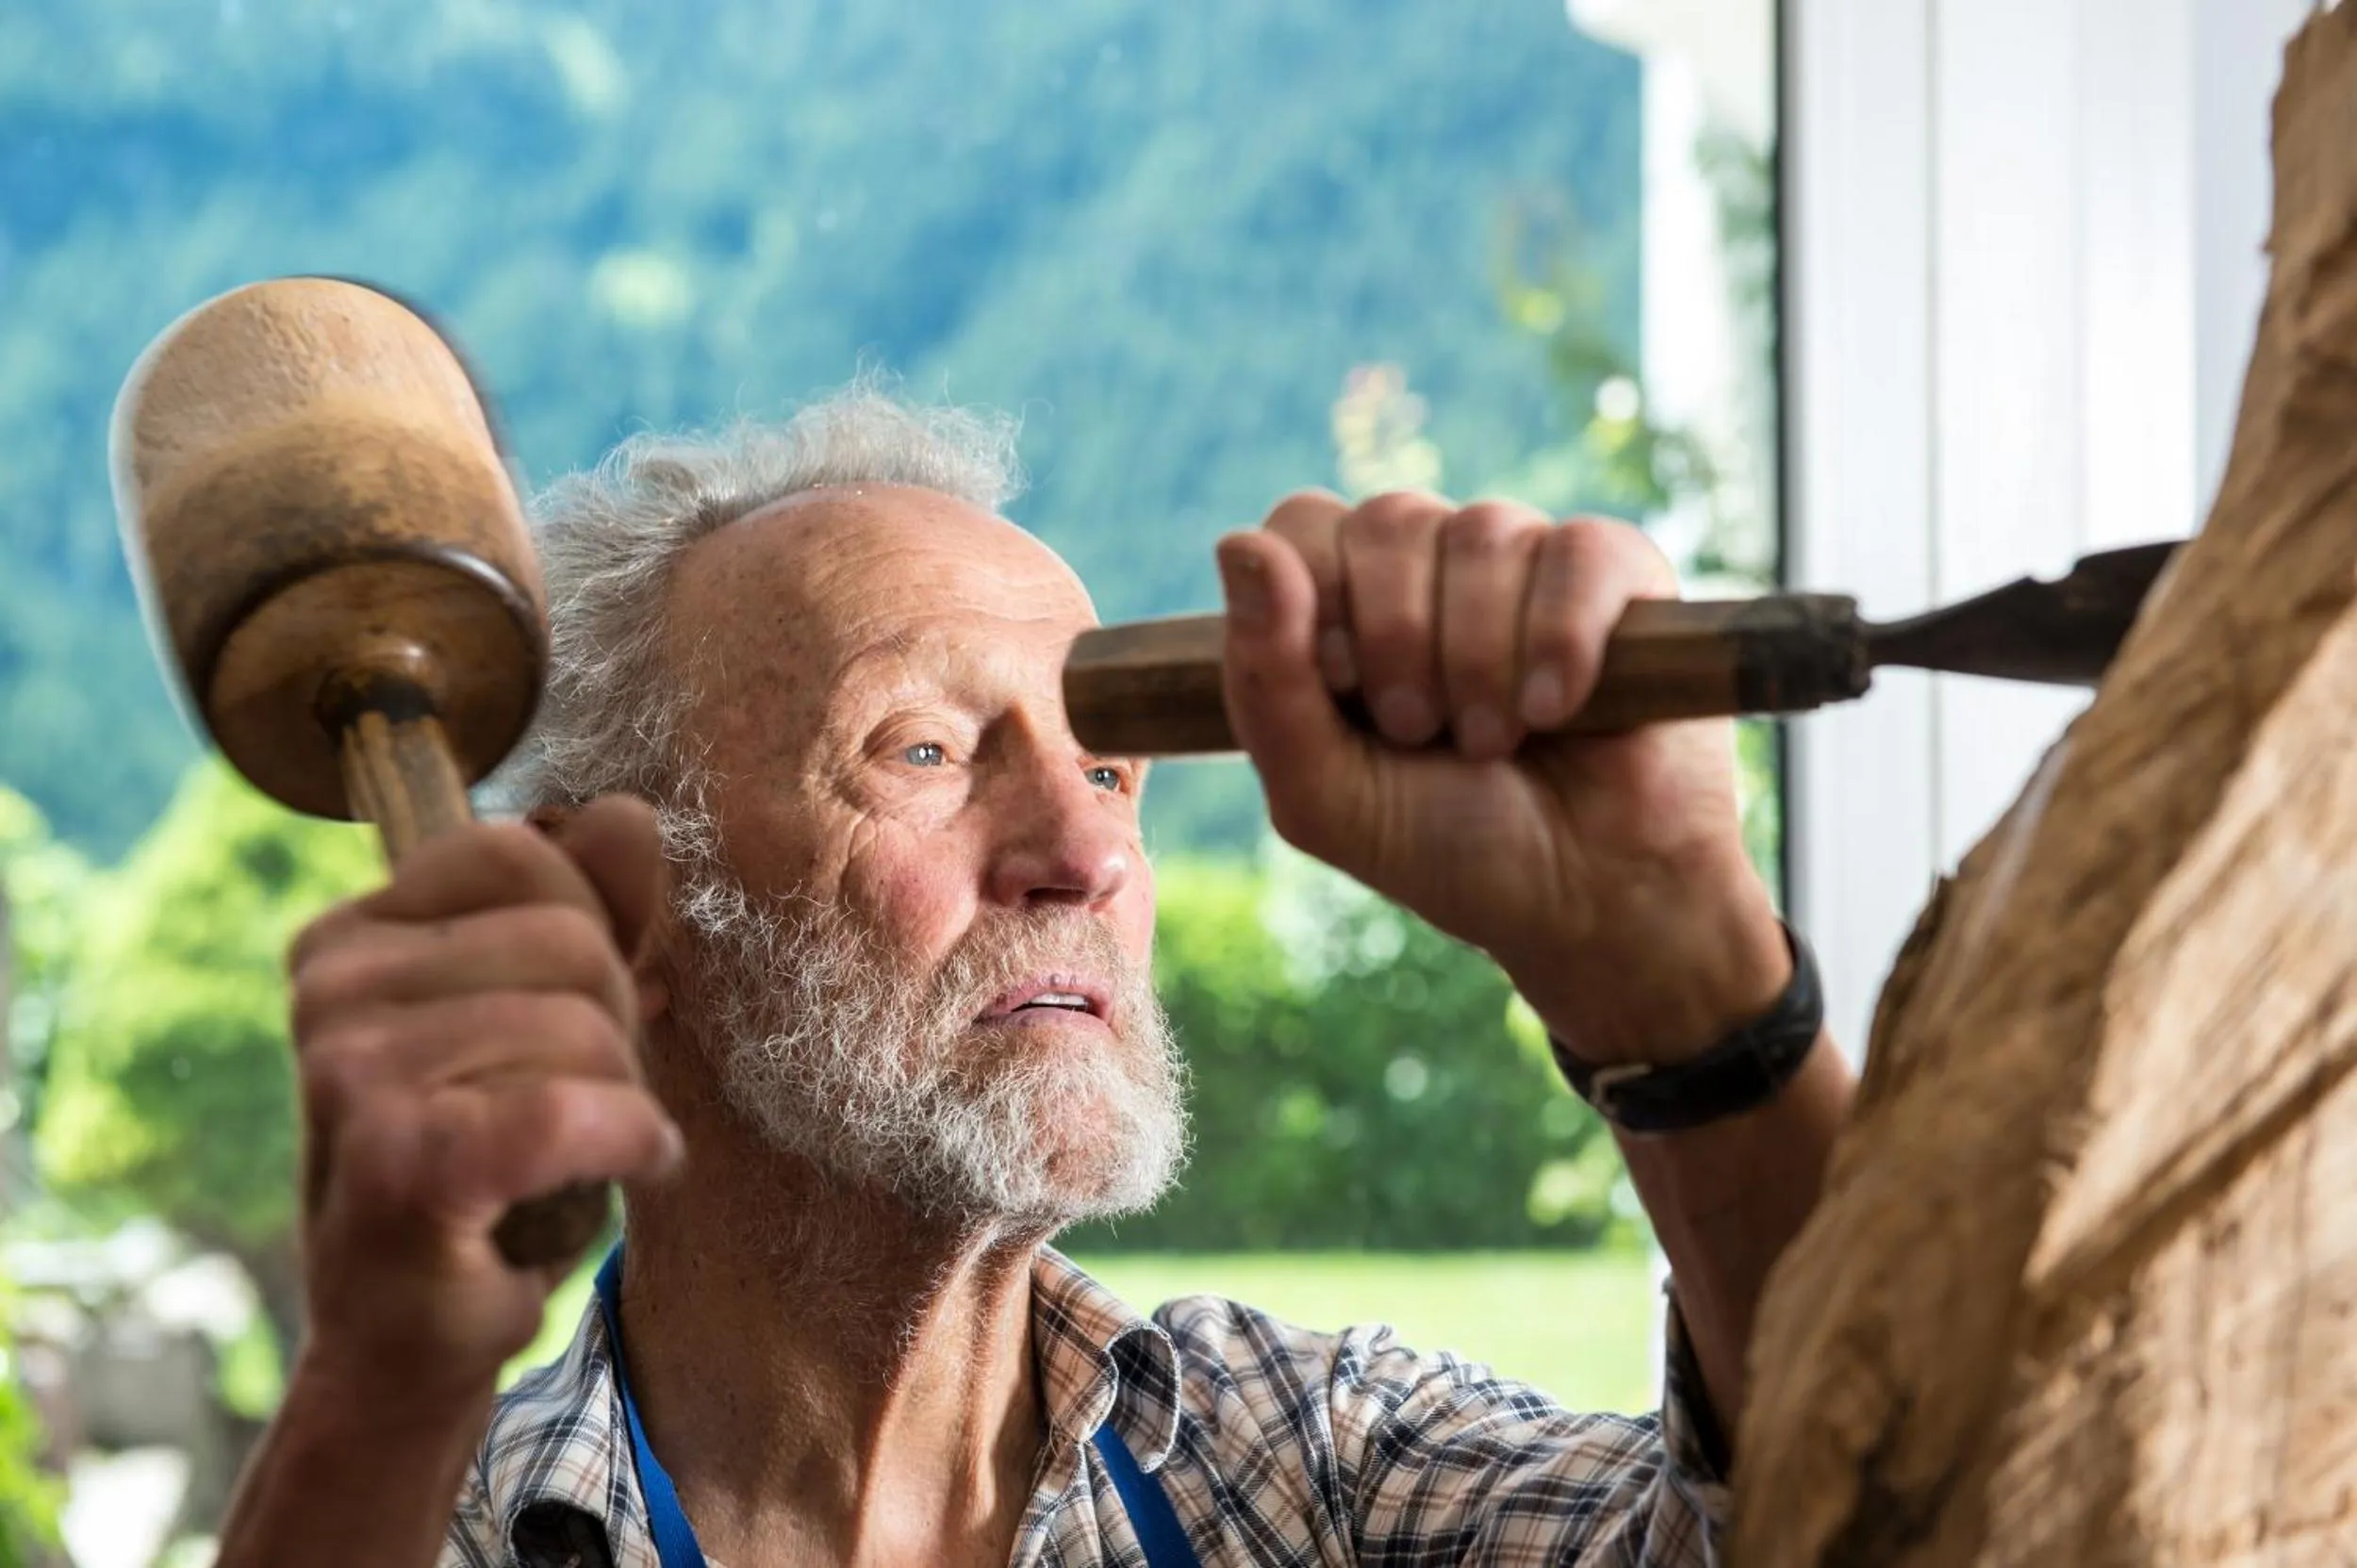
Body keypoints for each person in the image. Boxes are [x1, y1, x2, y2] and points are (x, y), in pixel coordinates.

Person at [215, 386, 1854, 1568]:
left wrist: (1682, 981)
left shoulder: (1311, 1475)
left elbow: (1937, 1513)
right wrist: (382, 1382)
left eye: (1118, 769)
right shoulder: (416, 1522)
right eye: (921, 749)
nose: (1084, 851)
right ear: (617, 913)